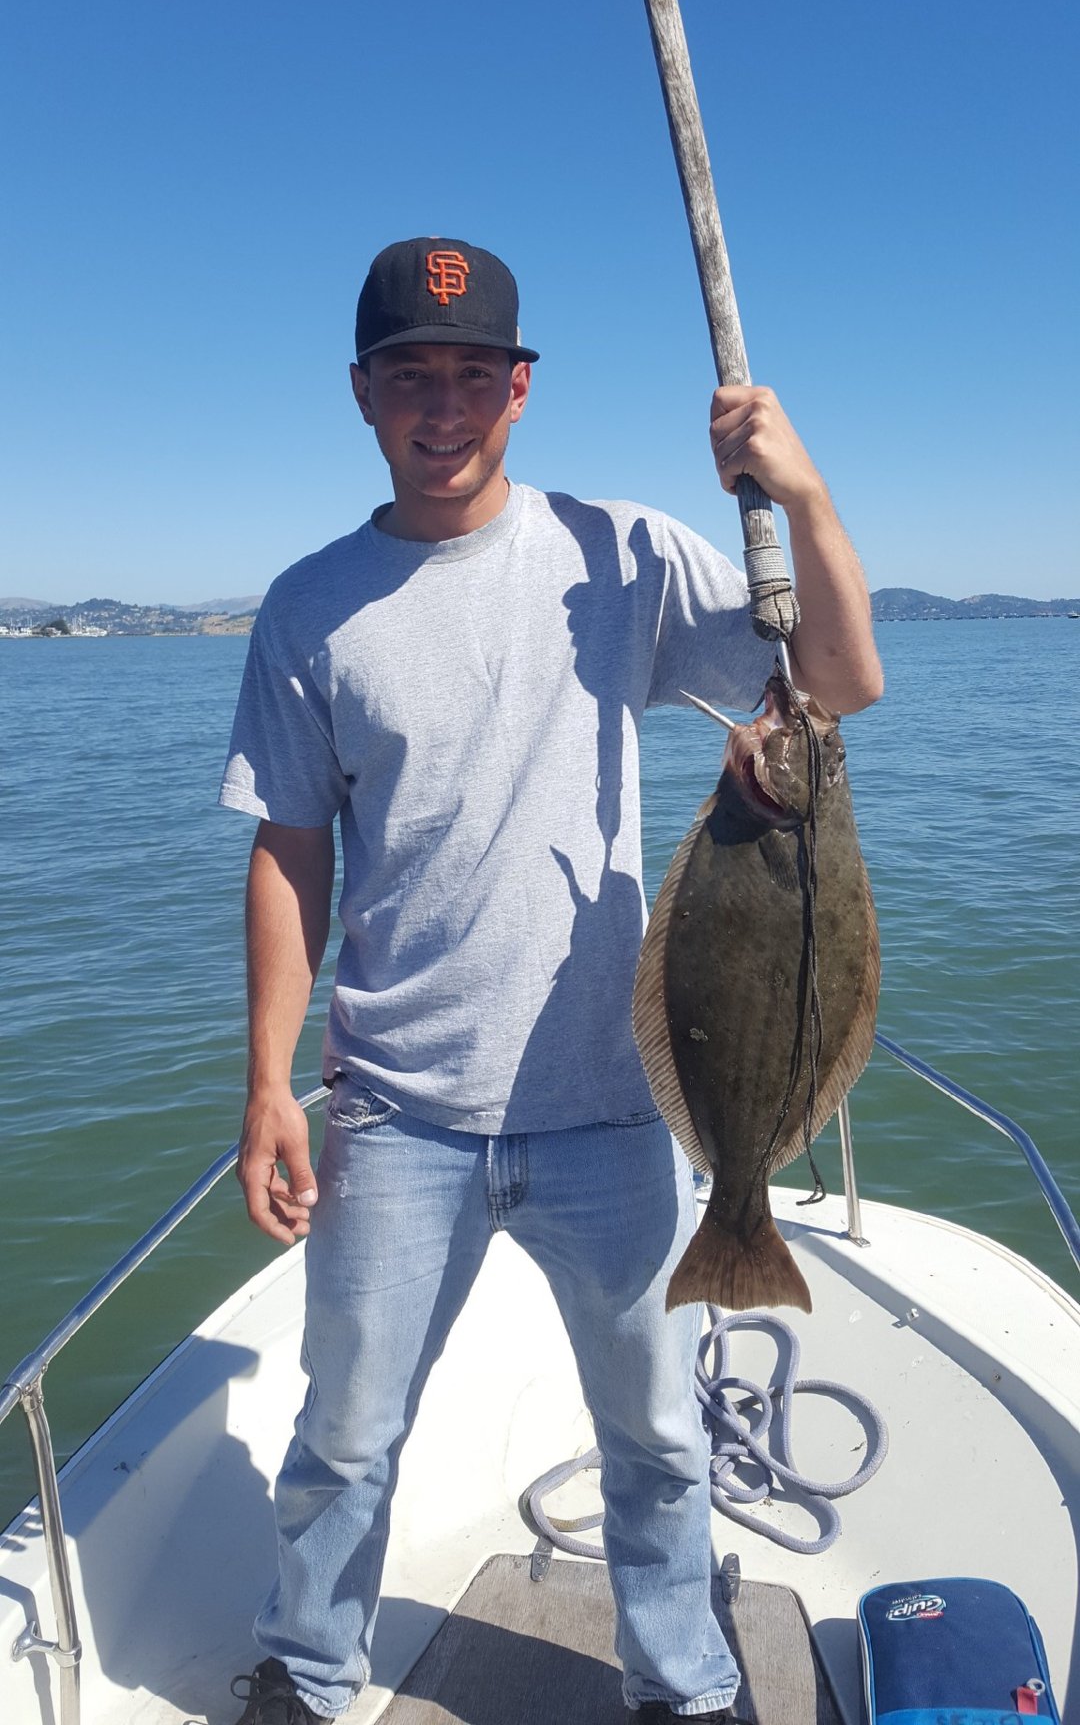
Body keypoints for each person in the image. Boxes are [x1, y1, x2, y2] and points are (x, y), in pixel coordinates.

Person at [219, 236, 883, 1724]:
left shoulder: (620, 556)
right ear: (363, 395)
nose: (440, 403)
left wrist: (807, 491)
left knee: (653, 1437)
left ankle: (688, 1684)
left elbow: (835, 682)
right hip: (397, 1109)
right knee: (346, 1432)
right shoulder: (306, 606)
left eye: (471, 373)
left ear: (520, 390)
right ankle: (312, 1672)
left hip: (610, 1106)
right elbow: (288, 853)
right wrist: (270, 1084)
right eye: (410, 373)